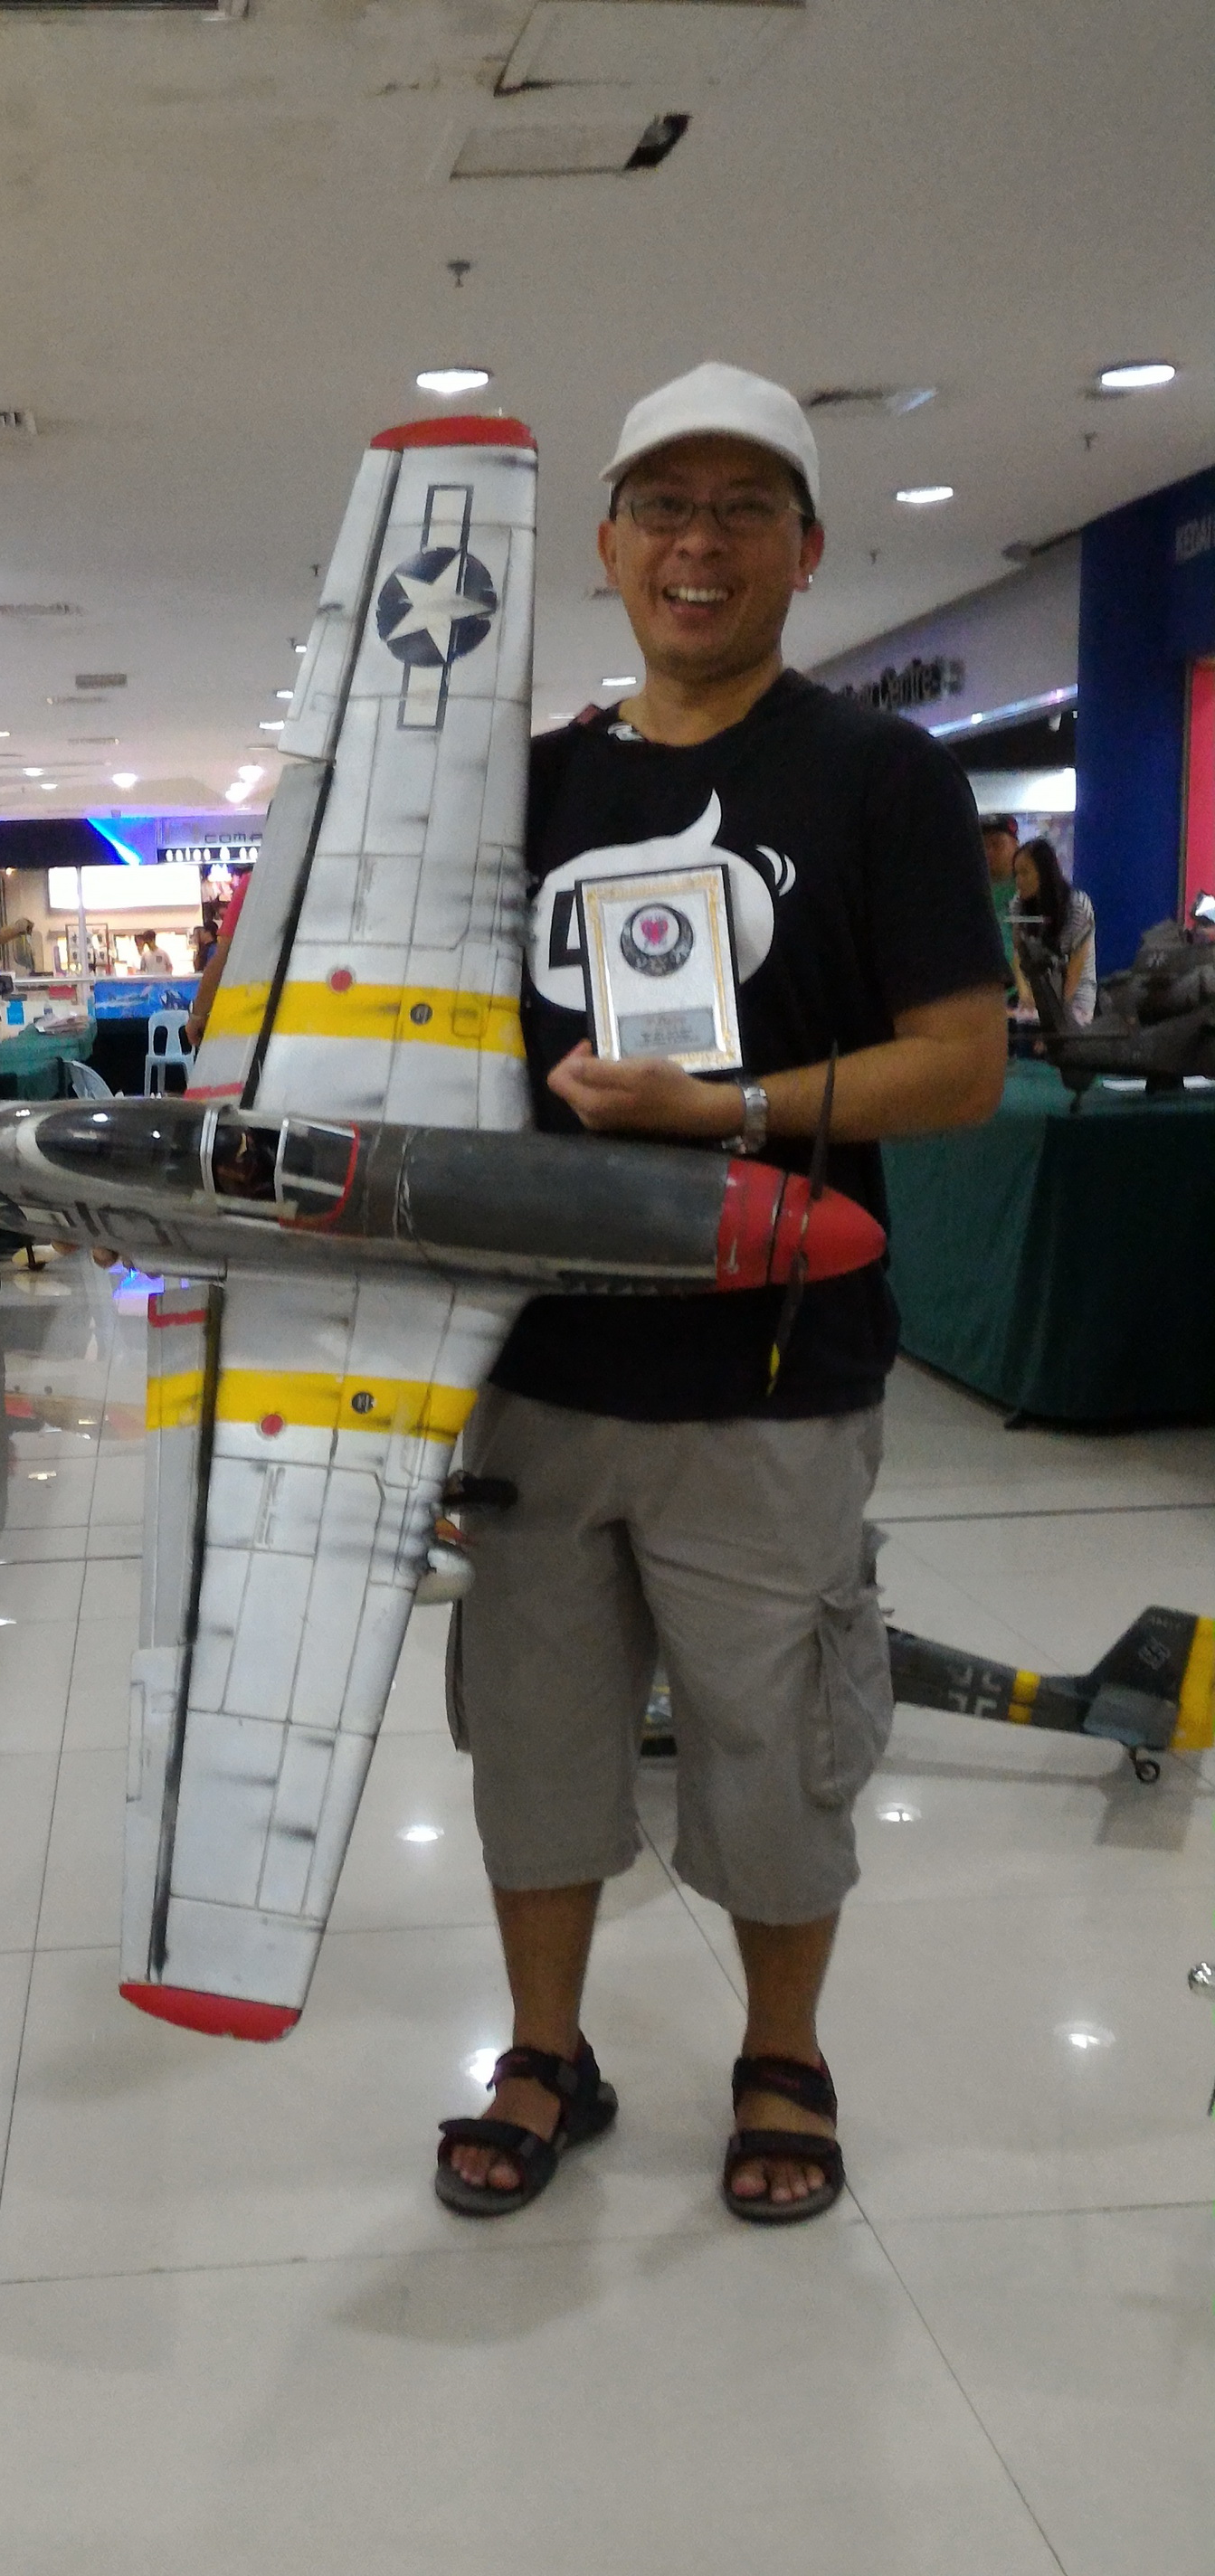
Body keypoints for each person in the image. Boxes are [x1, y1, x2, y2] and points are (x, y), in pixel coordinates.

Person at [434, 362, 1008, 2227]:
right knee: (533, 1737)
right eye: (665, 507)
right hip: (534, 1367)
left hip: (775, 1371)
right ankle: (546, 2047)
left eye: (744, 508)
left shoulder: (879, 775)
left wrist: (731, 1109)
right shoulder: (525, 791)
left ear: (806, 549)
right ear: (610, 548)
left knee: (775, 1741)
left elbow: (962, 1063)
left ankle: (783, 2055)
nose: (701, 542)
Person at [1012, 834, 1096, 1026]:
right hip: (1036, 997)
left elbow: (1076, 967)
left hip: (1074, 999)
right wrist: (1025, 993)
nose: (1018, 881)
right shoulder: (1018, 905)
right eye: (1016, 874)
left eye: (1025, 873)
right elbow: (1018, 956)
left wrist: (1056, 1015)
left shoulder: (1078, 906)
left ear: (1044, 872)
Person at [981, 813, 1020, 991]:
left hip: (1025, 993)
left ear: (1015, 845)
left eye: (997, 844)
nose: (988, 852)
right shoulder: (970, 893)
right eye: (983, 845)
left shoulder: (1029, 891)